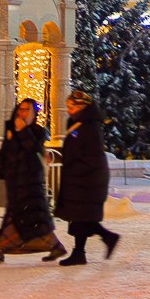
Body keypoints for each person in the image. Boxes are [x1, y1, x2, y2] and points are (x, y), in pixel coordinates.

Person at [0, 98, 59, 262]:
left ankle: (0, 250)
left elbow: (33, 149)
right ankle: (54, 246)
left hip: (30, 182)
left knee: (24, 217)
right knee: (24, 217)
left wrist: (23, 130)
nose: (22, 113)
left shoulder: (37, 131)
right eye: (20, 109)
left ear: (34, 113)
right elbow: (5, 152)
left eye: (26, 110)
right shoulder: (10, 129)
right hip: (15, 181)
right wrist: (2, 170)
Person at [49, 89, 120, 266]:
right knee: (80, 217)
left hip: (87, 180)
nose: (69, 110)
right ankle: (86, 249)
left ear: (82, 107)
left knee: (81, 217)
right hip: (81, 179)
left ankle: (99, 242)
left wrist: (75, 169)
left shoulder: (89, 126)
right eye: (68, 106)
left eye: (72, 106)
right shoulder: (79, 124)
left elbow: (92, 156)